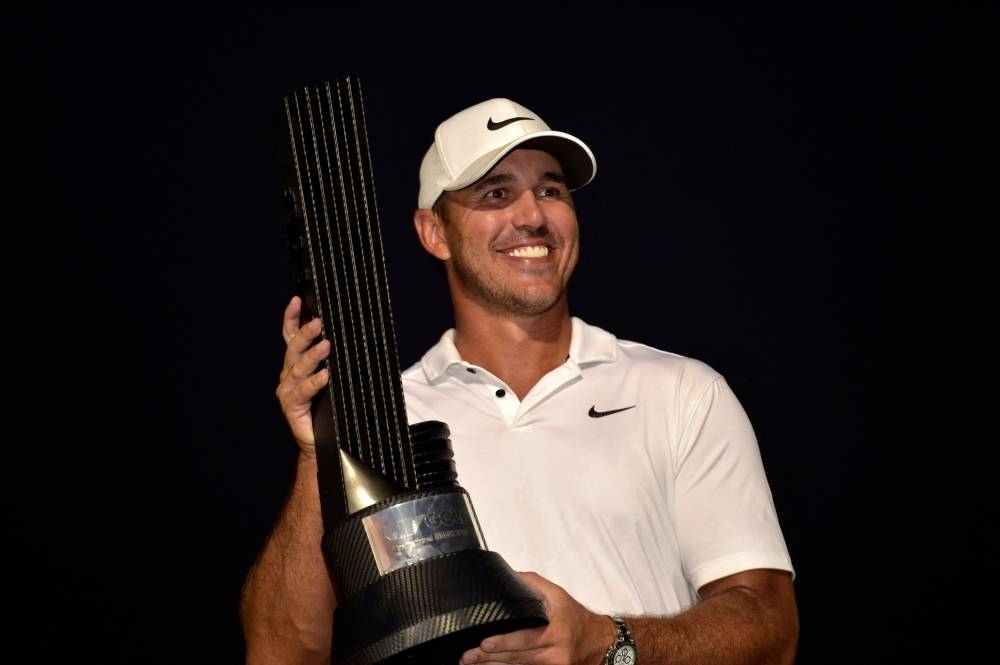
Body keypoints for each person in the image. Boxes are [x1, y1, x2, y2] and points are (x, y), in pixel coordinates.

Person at [240, 97, 799, 665]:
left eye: (551, 190)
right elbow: (280, 653)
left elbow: (771, 629)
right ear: (434, 232)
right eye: (496, 193)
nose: (533, 215)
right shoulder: (390, 418)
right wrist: (320, 450)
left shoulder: (681, 393)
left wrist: (607, 642)